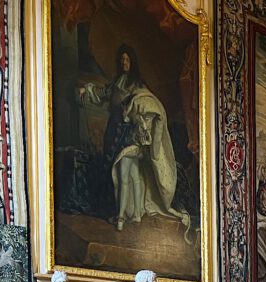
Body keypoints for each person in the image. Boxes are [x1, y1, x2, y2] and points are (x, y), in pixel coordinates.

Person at [80, 46, 189, 232]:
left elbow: (148, 103)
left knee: (131, 174)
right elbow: (103, 94)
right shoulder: (116, 83)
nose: (124, 63)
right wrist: (87, 90)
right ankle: (117, 210)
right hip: (113, 130)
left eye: (127, 60)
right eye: (122, 60)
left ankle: (131, 213)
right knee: (113, 168)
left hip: (129, 134)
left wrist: (139, 120)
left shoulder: (137, 85)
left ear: (133, 62)